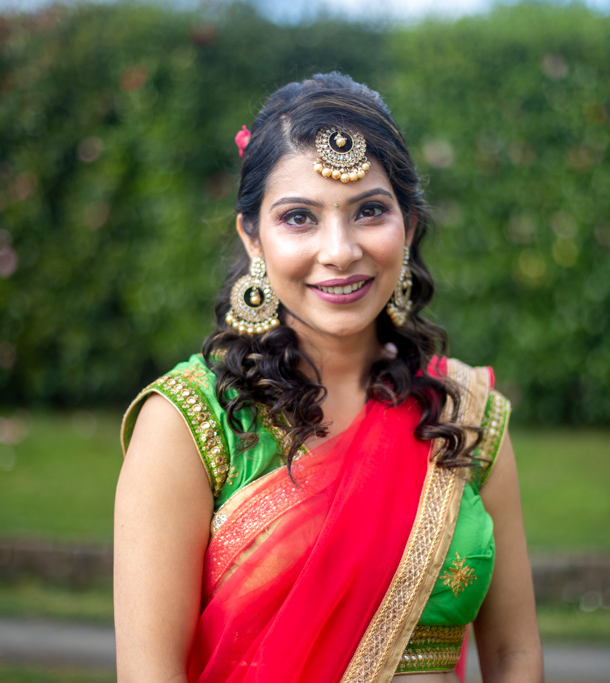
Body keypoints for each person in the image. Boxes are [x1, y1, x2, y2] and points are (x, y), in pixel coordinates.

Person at [113, 72, 543, 683]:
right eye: (298, 218)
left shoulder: (465, 416)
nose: (339, 250)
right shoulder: (189, 423)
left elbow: (513, 656)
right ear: (252, 236)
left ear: (409, 226)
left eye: (370, 210)